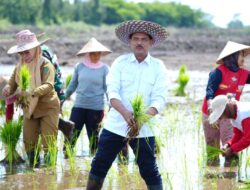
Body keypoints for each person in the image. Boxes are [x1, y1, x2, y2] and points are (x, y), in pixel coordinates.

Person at [86, 20, 168, 190]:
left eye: (144, 39)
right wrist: (125, 113)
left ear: (151, 42)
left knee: (149, 170)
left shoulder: (158, 67)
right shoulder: (120, 63)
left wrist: (142, 119)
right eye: (136, 38)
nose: (139, 42)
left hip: (145, 127)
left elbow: (159, 98)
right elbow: (112, 92)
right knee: (100, 164)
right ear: (130, 41)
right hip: (116, 124)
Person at [2, 29, 60, 167]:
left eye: (27, 51)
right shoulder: (19, 66)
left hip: (48, 107)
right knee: (28, 141)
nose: (24, 55)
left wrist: (32, 92)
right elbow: (12, 82)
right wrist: (8, 89)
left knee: (48, 141)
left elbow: (49, 84)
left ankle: (49, 171)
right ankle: (33, 169)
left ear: (35, 48)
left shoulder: (45, 64)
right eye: (21, 52)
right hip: (29, 108)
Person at [201, 41, 250, 165]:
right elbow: (210, 90)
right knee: (212, 145)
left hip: (230, 112)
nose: (244, 59)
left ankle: (230, 172)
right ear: (233, 56)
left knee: (230, 144)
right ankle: (212, 171)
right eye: (241, 55)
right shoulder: (218, 72)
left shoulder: (244, 74)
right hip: (211, 111)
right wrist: (211, 107)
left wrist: (230, 146)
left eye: (244, 56)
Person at [64, 37, 111, 155]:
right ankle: (66, 159)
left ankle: (93, 161)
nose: (96, 56)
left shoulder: (105, 69)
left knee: (94, 138)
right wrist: (62, 99)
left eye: (98, 54)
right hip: (79, 106)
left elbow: (108, 89)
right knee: (71, 135)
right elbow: (72, 85)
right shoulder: (80, 67)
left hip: (96, 108)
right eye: (93, 54)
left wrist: (111, 104)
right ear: (87, 54)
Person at [208, 94, 250, 160]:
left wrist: (231, 149)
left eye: (221, 114)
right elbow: (238, 134)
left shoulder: (244, 114)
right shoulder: (234, 116)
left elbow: (248, 138)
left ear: (227, 108)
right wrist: (228, 145)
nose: (221, 118)